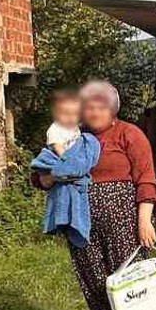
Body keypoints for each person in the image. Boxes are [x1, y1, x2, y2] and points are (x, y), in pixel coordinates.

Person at [38, 81, 156, 310]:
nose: (94, 113)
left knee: (130, 273)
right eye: (89, 108)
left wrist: (144, 221)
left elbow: (146, 179)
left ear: (112, 108)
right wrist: (50, 177)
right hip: (80, 219)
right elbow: (42, 171)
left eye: (101, 108)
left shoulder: (130, 134)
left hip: (123, 220)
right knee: (92, 274)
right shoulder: (70, 135)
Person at [30, 90, 100, 249]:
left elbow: (81, 146)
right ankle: (65, 219)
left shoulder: (78, 130)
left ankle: (75, 223)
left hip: (73, 164)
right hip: (59, 158)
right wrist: (67, 162)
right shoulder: (56, 128)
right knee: (63, 190)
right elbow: (57, 146)